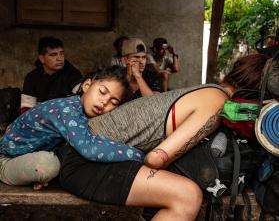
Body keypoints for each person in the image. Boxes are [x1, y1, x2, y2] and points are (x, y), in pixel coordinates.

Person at [58, 54, 269, 220]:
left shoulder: (207, 90)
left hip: (85, 153)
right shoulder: (216, 101)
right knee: (187, 195)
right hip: (84, 160)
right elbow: (156, 158)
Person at [0, 66, 144, 190]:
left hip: (28, 156)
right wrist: (140, 155)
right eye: (102, 91)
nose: (104, 101)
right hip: (7, 158)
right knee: (49, 165)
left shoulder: (80, 111)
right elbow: (90, 148)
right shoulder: (67, 109)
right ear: (87, 85)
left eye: (113, 102)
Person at [20, 36, 82, 113]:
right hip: (38, 119)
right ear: (42, 58)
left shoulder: (73, 75)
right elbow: (27, 108)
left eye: (61, 54)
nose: (59, 59)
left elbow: (80, 100)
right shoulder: (32, 77)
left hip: (66, 118)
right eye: (53, 55)